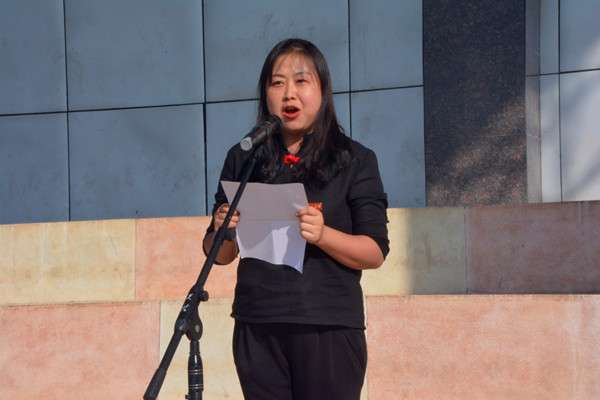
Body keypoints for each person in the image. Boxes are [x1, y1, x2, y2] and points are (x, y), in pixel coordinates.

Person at [203, 38, 389, 400]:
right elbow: (220, 255)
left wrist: (323, 235)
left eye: (301, 81)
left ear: (322, 90)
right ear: (265, 94)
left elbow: (374, 252)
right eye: (277, 83)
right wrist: (223, 231)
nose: (289, 92)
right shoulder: (244, 158)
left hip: (328, 326)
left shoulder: (355, 160)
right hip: (257, 325)